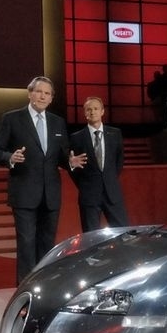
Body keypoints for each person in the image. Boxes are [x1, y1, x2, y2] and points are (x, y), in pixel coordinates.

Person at [0, 75, 86, 284]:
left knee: (47, 243)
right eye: (39, 92)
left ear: (51, 98)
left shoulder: (57, 122)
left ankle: (44, 285)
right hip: (24, 192)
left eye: (47, 93)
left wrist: (70, 161)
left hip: (50, 194)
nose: (43, 96)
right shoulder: (12, 119)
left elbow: (61, 156)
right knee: (26, 243)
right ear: (30, 93)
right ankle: (26, 288)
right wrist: (10, 157)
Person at [69, 96, 130, 232]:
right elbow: (74, 167)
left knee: (124, 233)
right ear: (85, 113)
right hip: (89, 195)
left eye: (96, 109)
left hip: (112, 193)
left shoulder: (115, 133)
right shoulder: (76, 138)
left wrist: (109, 179)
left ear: (102, 111)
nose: (92, 112)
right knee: (91, 236)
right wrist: (86, 185)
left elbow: (119, 161)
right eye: (89, 109)